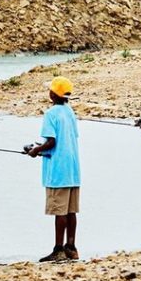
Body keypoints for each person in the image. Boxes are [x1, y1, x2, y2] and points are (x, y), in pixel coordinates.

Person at [25, 76, 81, 262]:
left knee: (60, 211)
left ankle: (58, 249)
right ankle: (71, 247)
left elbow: (51, 141)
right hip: (73, 169)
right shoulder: (69, 112)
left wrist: (35, 150)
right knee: (71, 210)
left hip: (58, 171)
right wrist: (40, 148)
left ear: (53, 94)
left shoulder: (51, 114)